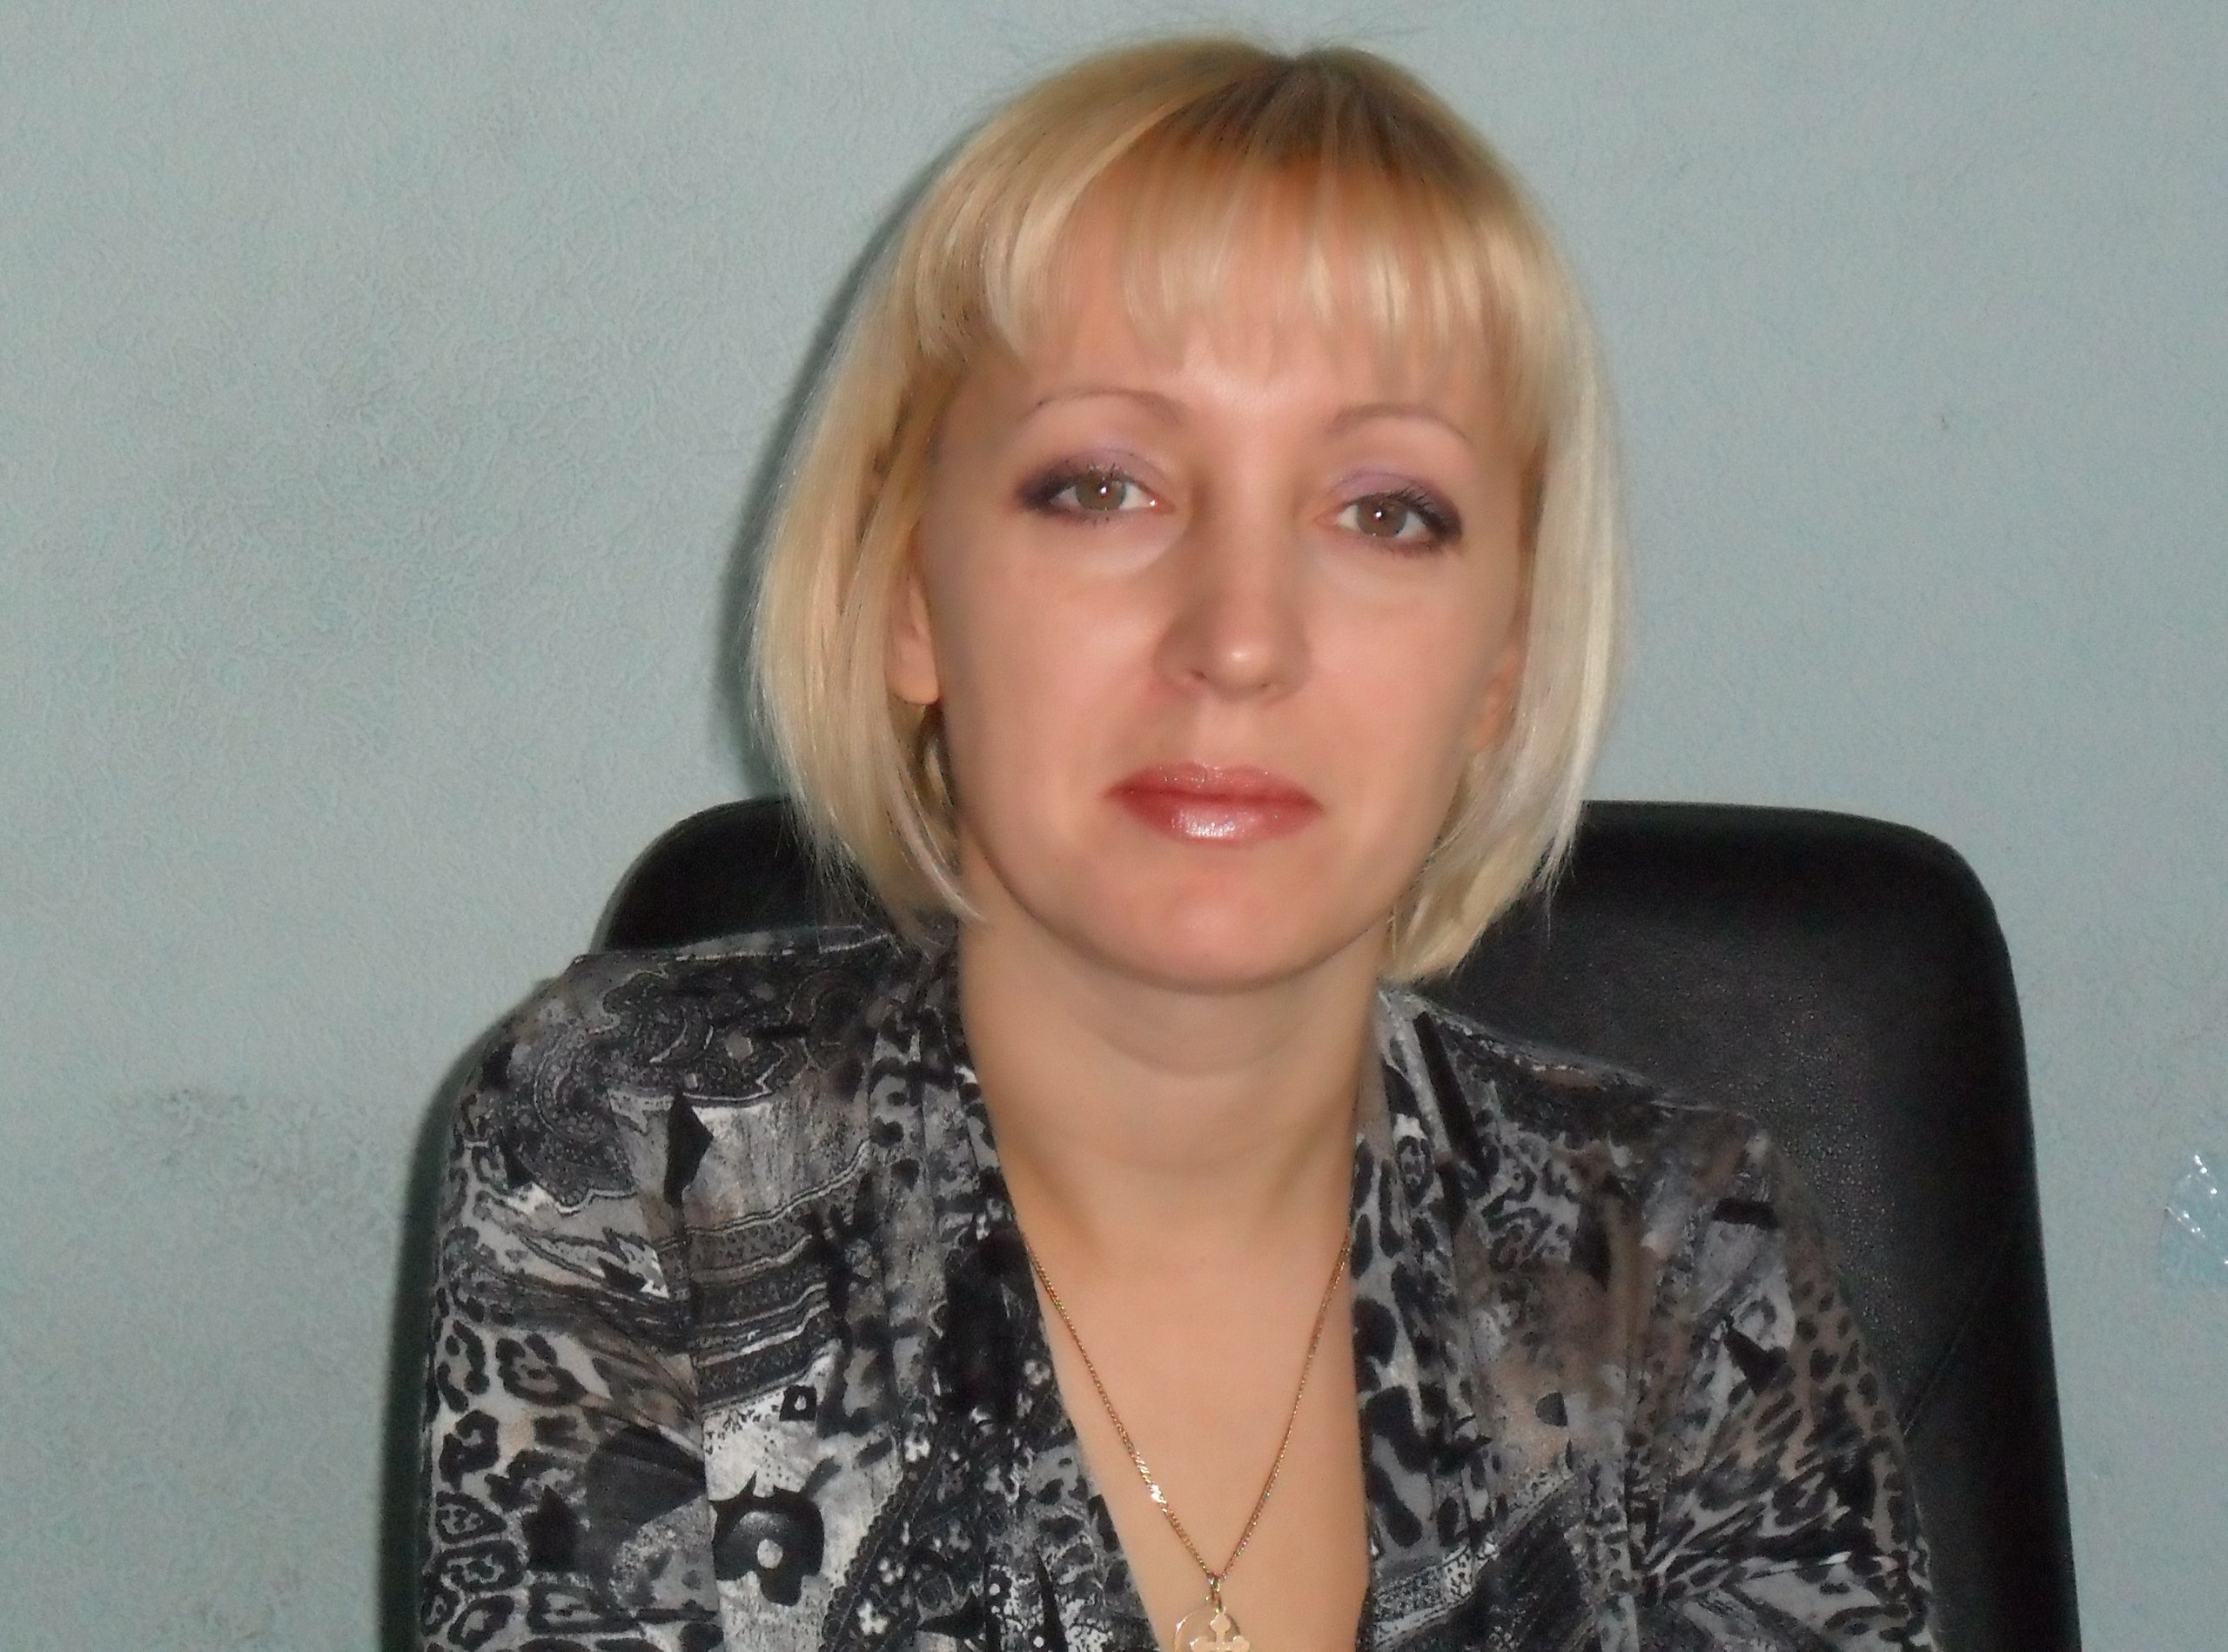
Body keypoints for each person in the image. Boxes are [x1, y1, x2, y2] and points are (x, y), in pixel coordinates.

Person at [416, 37, 1932, 1652]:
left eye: (1385, 511)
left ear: (1500, 665)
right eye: (1104, 487)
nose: (1240, 637)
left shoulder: (1688, 1264)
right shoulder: (646, 1150)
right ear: (911, 591)